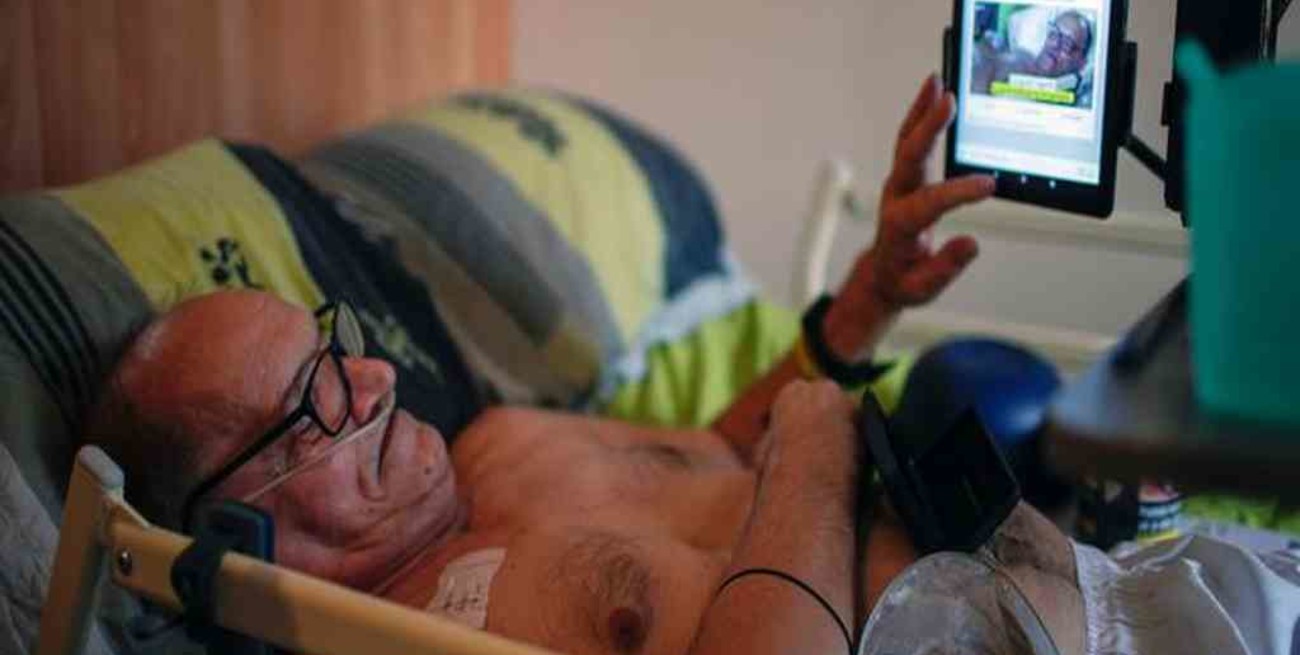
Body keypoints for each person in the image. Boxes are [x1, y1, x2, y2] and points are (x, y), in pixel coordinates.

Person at [85, 76, 1297, 655]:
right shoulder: (401, 638)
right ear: (235, 528)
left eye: (336, 346)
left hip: (1154, 588)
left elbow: (713, 450)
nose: (377, 379)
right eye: (314, 398)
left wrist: (863, 303)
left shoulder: (500, 440)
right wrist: (819, 441)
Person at [972, 9, 1093, 101]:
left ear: (1081, 63)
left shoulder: (1067, 97)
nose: (1056, 44)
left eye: (1067, 43)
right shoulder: (1023, 57)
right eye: (1053, 33)